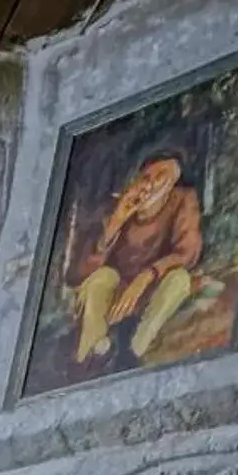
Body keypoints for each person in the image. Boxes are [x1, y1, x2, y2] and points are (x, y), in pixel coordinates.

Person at [69, 152, 203, 366]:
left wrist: (146, 276)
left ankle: (133, 352)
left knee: (179, 279)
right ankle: (91, 357)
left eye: (162, 176)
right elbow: (81, 273)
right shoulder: (119, 204)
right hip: (117, 293)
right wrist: (117, 220)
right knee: (103, 276)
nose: (151, 183)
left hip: (152, 288)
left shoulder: (183, 200)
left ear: (172, 184)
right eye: (146, 177)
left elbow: (187, 253)